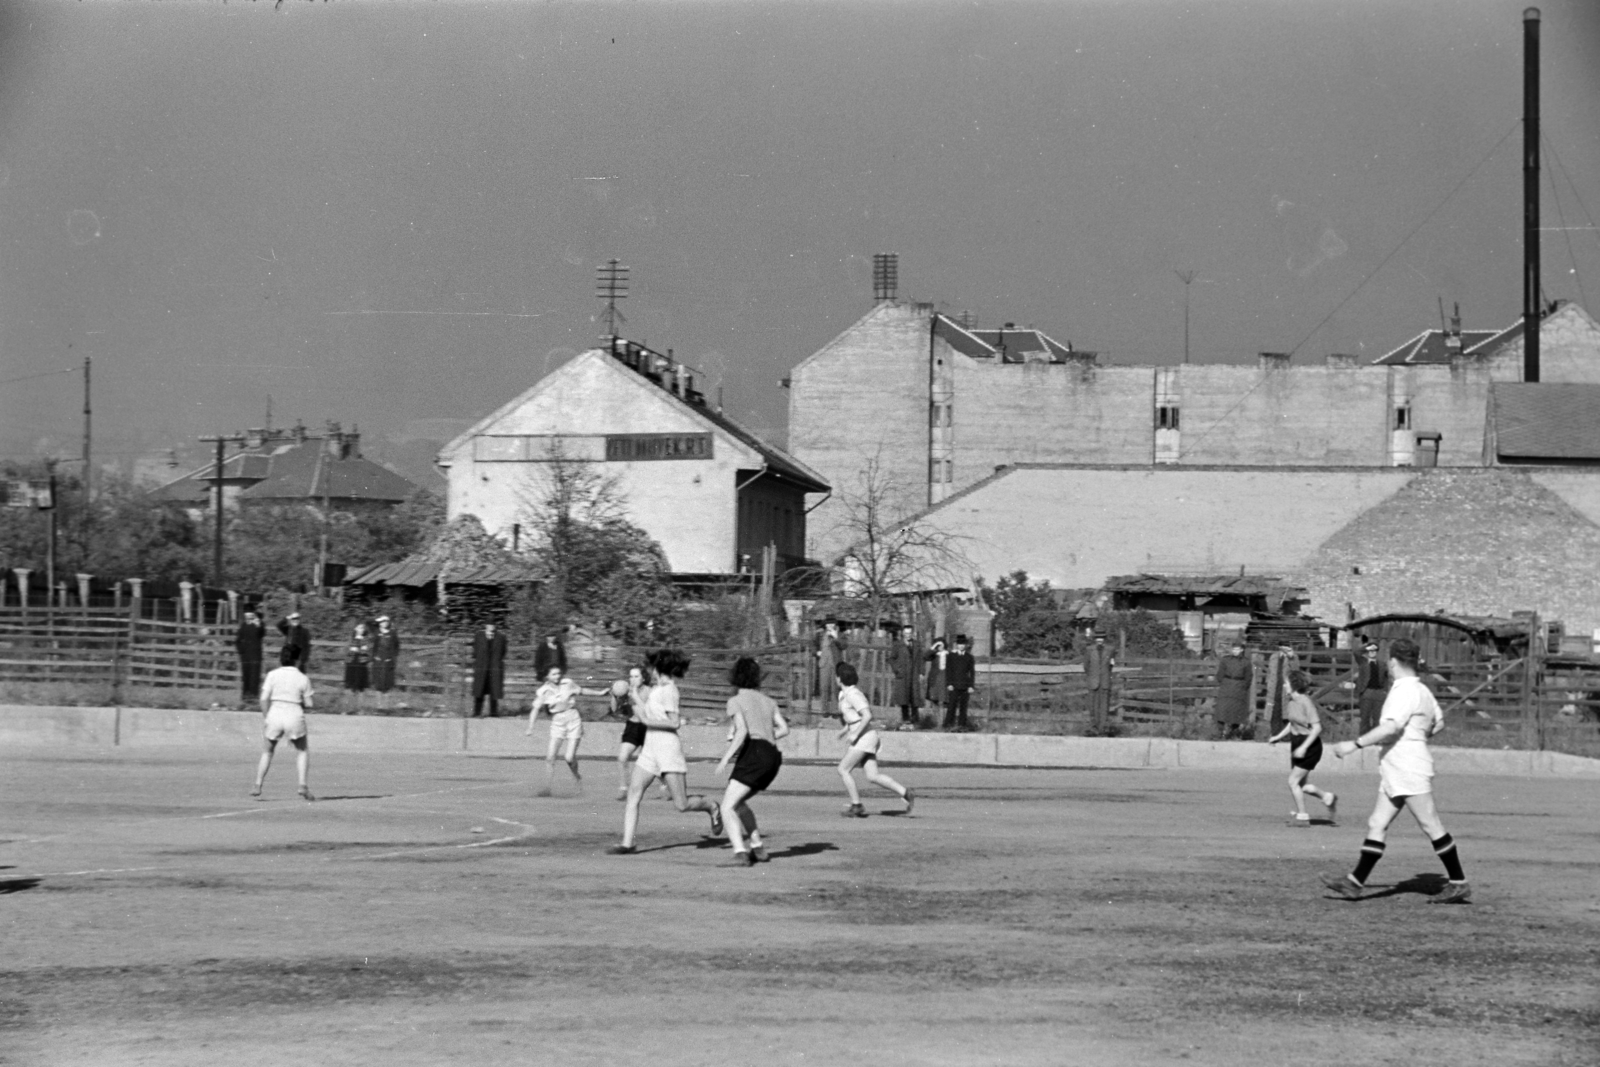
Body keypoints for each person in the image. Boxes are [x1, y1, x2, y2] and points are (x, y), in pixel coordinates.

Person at [1321, 637, 1471, 904]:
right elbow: (1438, 724)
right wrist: (1416, 738)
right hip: (1401, 764)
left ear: (1393, 662)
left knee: (1430, 824)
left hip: (1407, 766)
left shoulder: (1404, 691)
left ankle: (1458, 882)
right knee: (1377, 823)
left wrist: (1354, 744)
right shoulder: (1422, 690)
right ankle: (1354, 883)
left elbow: (1391, 727)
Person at [609, 648, 723, 854]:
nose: (648, 670)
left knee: (681, 804)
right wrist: (631, 699)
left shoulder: (670, 690)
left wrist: (644, 719)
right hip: (650, 748)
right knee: (634, 794)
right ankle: (627, 843)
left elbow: (674, 722)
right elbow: (648, 712)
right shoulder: (656, 690)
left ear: (658, 668)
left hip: (668, 750)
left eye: (651, 666)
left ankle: (712, 806)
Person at [716, 656, 791, 867]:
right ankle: (757, 847)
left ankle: (740, 852)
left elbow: (742, 732)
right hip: (772, 756)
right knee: (738, 803)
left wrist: (726, 757)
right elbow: (784, 729)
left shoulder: (735, 701)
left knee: (727, 807)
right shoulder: (769, 701)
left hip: (754, 754)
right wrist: (764, 735)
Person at [834, 662, 914, 817]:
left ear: (839, 679)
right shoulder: (844, 694)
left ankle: (856, 805)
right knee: (872, 776)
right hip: (865, 736)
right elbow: (853, 718)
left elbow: (867, 716)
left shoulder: (853, 694)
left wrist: (855, 734)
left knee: (843, 769)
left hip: (865, 737)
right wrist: (845, 730)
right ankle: (905, 793)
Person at [1268, 669, 1337, 827]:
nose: (1284, 685)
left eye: (1286, 683)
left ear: (1293, 685)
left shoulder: (1305, 701)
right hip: (1297, 743)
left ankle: (1303, 816)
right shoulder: (1291, 702)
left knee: (1292, 781)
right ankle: (1327, 797)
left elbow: (1317, 728)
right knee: (1301, 785)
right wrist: (1278, 737)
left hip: (1310, 745)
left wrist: (1304, 747)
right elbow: (1292, 724)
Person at [526, 664, 606, 796]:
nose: (557, 676)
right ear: (547, 676)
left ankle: (577, 777)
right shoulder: (543, 691)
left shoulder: (567, 683)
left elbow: (581, 691)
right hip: (558, 722)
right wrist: (530, 727)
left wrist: (599, 693)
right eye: (553, 674)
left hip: (573, 719)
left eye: (558, 673)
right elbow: (535, 709)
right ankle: (547, 788)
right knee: (550, 757)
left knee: (569, 758)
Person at [252, 644, 314, 801]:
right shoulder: (303, 678)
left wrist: (267, 718)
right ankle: (302, 785)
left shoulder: (272, 675)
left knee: (267, 750)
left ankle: (258, 784)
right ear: (297, 660)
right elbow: (309, 704)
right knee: (302, 750)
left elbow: (263, 699)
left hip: (275, 714)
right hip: (294, 714)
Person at [614, 666, 648, 799]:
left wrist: (635, 696)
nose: (632, 679)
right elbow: (615, 710)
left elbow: (648, 711)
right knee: (622, 757)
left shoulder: (649, 691)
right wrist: (616, 696)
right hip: (633, 727)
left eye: (636, 676)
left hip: (648, 728)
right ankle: (623, 788)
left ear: (643, 678)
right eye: (631, 676)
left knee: (650, 763)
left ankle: (666, 785)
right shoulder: (626, 692)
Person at [1213, 640, 1253, 740]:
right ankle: (1220, 733)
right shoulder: (1225, 660)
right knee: (1222, 710)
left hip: (1239, 689)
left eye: (1237, 649)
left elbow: (1248, 677)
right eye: (1234, 649)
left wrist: (1242, 686)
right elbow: (1220, 674)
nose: (1235, 651)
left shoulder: (1246, 662)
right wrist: (1224, 682)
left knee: (1236, 712)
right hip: (1226, 687)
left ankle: (1233, 733)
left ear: (1241, 650)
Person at [470, 621, 508, 717]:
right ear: (486, 625)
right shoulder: (479, 635)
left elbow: (503, 652)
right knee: (479, 691)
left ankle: (494, 713)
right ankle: (477, 713)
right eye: (489, 624)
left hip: (494, 668)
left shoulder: (501, 637)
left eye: (493, 624)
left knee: (493, 691)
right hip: (482, 667)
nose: (491, 626)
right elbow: (475, 651)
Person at [1353, 640, 1389, 735]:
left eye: (1374, 651)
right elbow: (1356, 652)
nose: (1372, 652)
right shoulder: (1363, 662)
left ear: (1377, 652)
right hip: (1366, 692)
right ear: (1367, 652)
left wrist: (1385, 691)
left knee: (1378, 719)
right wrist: (1367, 647)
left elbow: (1387, 678)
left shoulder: (1382, 664)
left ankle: (1376, 740)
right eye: (1370, 651)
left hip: (1379, 693)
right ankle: (1363, 740)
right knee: (1365, 718)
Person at [1083, 632, 1116, 732]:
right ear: (1095, 639)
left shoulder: (1110, 650)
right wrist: (1093, 675)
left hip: (1105, 681)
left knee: (1104, 706)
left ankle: (1104, 728)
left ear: (1104, 639)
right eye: (1098, 638)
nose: (1099, 640)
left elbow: (1111, 665)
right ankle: (1093, 727)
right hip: (1093, 681)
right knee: (1093, 706)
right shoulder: (1089, 650)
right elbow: (1086, 666)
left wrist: (1106, 675)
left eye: (1101, 638)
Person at [888, 628, 921, 729]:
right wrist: (897, 670)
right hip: (903, 675)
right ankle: (905, 720)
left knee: (914, 697)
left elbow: (920, 659)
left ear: (912, 633)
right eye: (906, 633)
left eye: (910, 633)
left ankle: (915, 721)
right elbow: (891, 658)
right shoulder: (898, 645)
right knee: (904, 698)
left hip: (914, 674)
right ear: (903, 634)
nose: (908, 635)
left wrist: (921, 672)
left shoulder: (916, 644)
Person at [1264, 643, 1299, 735]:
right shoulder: (1273, 657)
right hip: (1274, 686)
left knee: (1286, 711)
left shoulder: (1293, 657)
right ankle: (1274, 732)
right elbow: (1269, 671)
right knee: (1274, 710)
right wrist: (1268, 683)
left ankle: (1285, 735)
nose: (1285, 649)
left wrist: (1291, 658)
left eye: (1287, 647)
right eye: (1283, 647)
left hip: (1285, 687)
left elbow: (1296, 671)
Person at [943, 635, 976, 731]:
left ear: (966, 645)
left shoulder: (969, 657)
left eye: (963, 644)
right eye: (959, 644)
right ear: (956, 645)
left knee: (963, 707)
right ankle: (948, 725)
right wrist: (949, 684)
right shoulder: (951, 656)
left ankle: (962, 726)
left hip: (965, 686)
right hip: (953, 685)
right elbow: (948, 671)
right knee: (951, 706)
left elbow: (972, 672)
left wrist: (971, 686)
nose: (961, 646)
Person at [234, 609, 264, 708]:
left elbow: (262, 633)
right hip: (246, 657)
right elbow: (237, 641)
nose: (249, 618)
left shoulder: (259, 625)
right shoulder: (243, 626)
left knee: (255, 677)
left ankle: (254, 699)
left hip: (256, 656)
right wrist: (242, 651)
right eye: (247, 617)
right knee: (246, 676)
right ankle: (245, 698)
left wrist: (258, 625)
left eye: (251, 617)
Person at [370, 615, 400, 706]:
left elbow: (396, 647)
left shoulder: (393, 633)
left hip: (388, 661)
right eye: (381, 622)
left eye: (385, 621)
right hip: (378, 661)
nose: (383, 623)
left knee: (387, 683)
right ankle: (379, 705)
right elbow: (374, 647)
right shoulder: (377, 633)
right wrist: (374, 657)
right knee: (378, 683)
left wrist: (392, 657)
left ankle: (386, 706)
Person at [343, 621, 372, 702]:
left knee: (361, 686)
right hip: (351, 664)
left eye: (362, 628)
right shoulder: (351, 639)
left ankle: (360, 707)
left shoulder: (366, 640)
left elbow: (369, 653)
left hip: (361, 665)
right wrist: (351, 651)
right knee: (349, 684)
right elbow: (346, 651)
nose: (361, 630)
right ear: (355, 628)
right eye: (359, 627)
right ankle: (347, 705)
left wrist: (361, 651)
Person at [923, 637, 947, 719]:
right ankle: (935, 720)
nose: (940, 647)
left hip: (944, 679)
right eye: (938, 645)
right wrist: (933, 647)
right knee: (934, 700)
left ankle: (942, 721)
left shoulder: (948, 654)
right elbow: (925, 656)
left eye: (941, 645)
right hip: (935, 679)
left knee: (942, 701)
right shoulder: (934, 655)